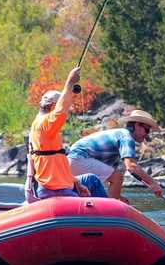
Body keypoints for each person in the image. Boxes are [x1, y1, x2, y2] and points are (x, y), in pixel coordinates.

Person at [26, 66, 106, 202]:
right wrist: (69, 82)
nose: (67, 109)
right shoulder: (46, 124)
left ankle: (106, 215)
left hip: (60, 184)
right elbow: (61, 111)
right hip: (54, 189)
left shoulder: (41, 126)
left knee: (92, 180)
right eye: (60, 104)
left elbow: (58, 164)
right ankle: (106, 218)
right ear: (52, 105)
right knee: (88, 204)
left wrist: (76, 182)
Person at [67, 109, 165, 201]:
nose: (147, 135)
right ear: (137, 125)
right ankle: (109, 213)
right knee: (118, 177)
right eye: (147, 130)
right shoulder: (126, 137)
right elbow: (131, 167)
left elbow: (109, 179)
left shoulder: (119, 135)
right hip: (79, 158)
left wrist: (118, 196)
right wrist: (153, 184)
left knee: (116, 180)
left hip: (70, 164)